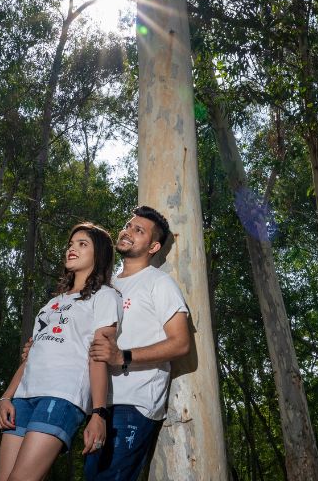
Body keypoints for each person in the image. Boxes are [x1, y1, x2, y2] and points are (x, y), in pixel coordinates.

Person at [0, 222, 121, 481]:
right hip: (22, 398)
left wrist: (98, 413)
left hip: (61, 396)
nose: (72, 249)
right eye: (70, 244)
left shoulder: (105, 296)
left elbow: (99, 355)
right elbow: (30, 357)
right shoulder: (51, 304)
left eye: (82, 244)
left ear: (99, 254)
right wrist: (5, 397)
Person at [85, 205, 191, 481]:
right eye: (129, 225)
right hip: (98, 404)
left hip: (134, 403)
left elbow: (181, 343)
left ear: (153, 246)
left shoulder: (159, 283)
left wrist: (124, 356)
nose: (128, 231)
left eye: (139, 230)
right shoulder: (104, 285)